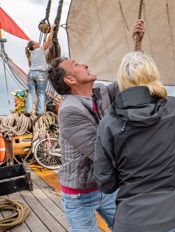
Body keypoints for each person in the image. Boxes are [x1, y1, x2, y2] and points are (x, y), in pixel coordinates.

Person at [47, 20, 145, 231]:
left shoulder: (99, 91)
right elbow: (100, 152)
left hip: (106, 187)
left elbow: (131, 81)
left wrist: (137, 46)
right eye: (76, 65)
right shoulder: (69, 110)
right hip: (80, 196)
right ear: (71, 80)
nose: (85, 64)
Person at [94, 52, 175, 232]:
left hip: (137, 222)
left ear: (121, 81)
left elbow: (106, 183)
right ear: (153, 74)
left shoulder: (109, 125)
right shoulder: (173, 106)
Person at [24, 25, 55, 116]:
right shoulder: (40, 50)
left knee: (31, 92)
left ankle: (28, 111)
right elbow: (49, 42)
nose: (38, 42)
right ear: (34, 46)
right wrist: (52, 30)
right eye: (36, 42)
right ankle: (39, 111)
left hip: (31, 74)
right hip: (40, 74)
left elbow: (30, 65)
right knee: (41, 92)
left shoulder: (30, 54)